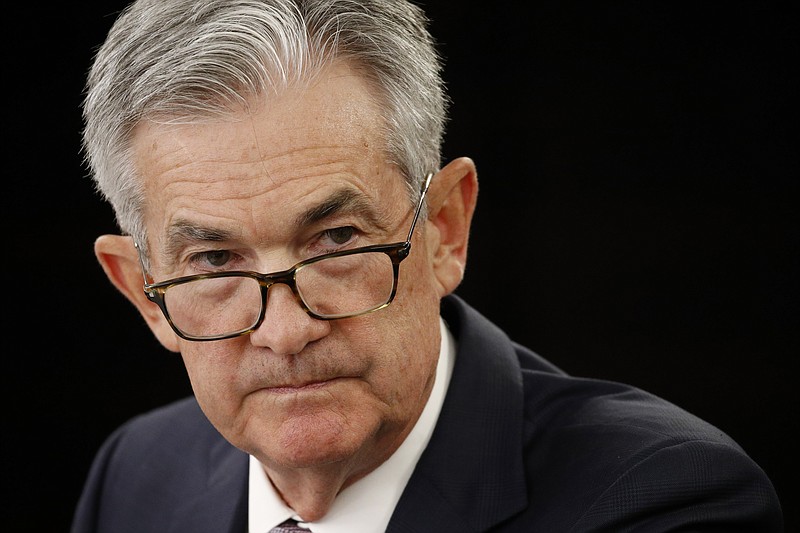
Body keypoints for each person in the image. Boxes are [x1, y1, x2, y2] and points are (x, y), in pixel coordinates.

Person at [71, 0, 783, 531]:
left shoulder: (662, 499)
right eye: (216, 259)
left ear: (444, 228)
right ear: (145, 292)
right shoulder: (135, 477)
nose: (285, 333)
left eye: (337, 241)